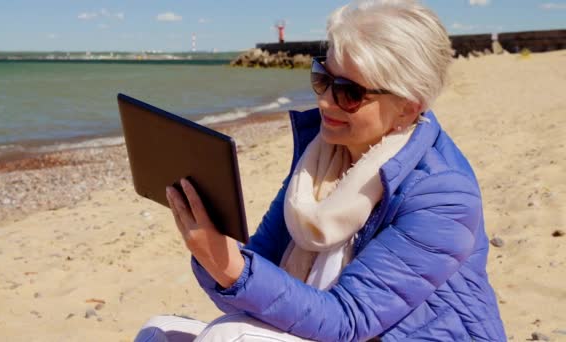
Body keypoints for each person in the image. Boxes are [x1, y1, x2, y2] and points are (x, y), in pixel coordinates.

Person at [135, 0, 507, 340]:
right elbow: (251, 285)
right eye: (321, 77)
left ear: (407, 108)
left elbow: (348, 319)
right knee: (157, 332)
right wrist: (213, 256)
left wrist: (231, 267)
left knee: (225, 337)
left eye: (349, 93)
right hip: (329, 326)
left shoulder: (443, 196)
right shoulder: (319, 160)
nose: (325, 101)